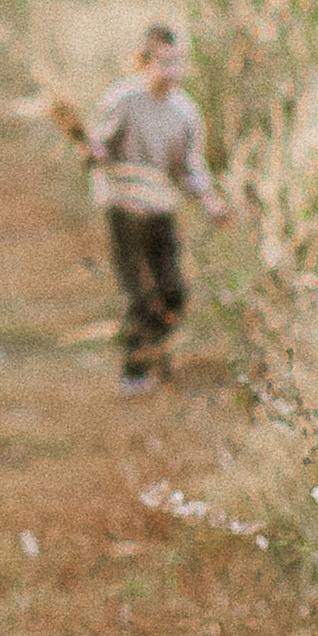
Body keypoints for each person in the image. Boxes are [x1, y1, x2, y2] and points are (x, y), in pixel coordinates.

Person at [84, 22, 224, 392]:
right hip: (124, 209)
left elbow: (190, 167)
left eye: (177, 62)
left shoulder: (186, 112)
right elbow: (96, 147)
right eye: (164, 62)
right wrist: (94, 152)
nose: (172, 71)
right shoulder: (122, 101)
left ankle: (153, 352)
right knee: (141, 295)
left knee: (173, 292)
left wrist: (210, 202)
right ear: (144, 62)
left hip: (161, 209)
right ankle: (134, 370)